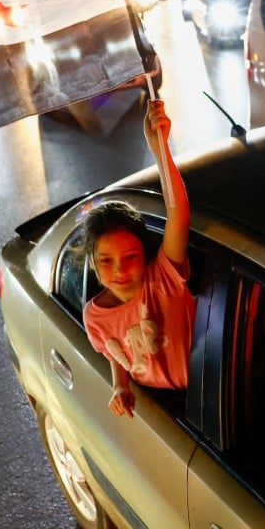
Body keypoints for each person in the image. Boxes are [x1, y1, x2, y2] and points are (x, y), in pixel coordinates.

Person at [82, 98, 193, 418]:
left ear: (145, 254)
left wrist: (160, 149)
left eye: (130, 256)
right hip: (160, 409)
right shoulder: (94, 317)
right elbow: (113, 351)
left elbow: (178, 216)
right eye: (106, 260)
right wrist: (120, 385)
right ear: (92, 263)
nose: (119, 269)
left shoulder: (162, 282)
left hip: (201, 395)